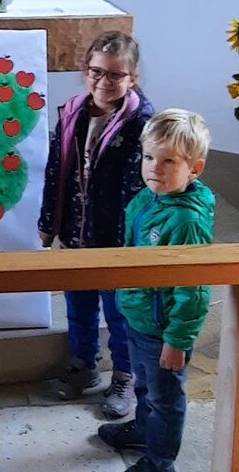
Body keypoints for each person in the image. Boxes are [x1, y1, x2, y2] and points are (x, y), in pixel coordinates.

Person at [38, 31, 155, 419]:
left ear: (132, 77)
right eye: (96, 72)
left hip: (116, 238)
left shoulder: (142, 123)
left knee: (119, 311)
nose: (104, 82)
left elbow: (139, 190)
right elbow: (56, 171)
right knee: (78, 304)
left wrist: (130, 243)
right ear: (85, 71)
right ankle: (83, 364)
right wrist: (49, 222)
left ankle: (124, 375)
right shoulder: (72, 113)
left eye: (115, 75)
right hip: (75, 230)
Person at [99, 109, 215, 472]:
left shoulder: (184, 222)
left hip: (163, 329)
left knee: (165, 398)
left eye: (169, 161)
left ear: (194, 169)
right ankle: (144, 431)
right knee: (146, 386)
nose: (154, 168)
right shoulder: (147, 200)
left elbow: (193, 289)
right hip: (139, 317)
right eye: (150, 157)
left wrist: (177, 340)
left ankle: (160, 467)